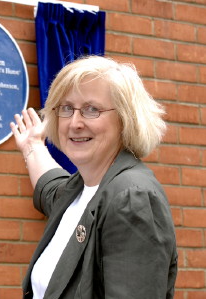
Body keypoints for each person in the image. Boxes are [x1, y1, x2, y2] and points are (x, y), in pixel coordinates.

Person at [10, 56, 177, 299]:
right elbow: (50, 186)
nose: (75, 123)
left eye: (92, 109)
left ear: (125, 118)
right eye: (67, 108)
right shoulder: (79, 189)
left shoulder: (132, 197)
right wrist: (32, 146)